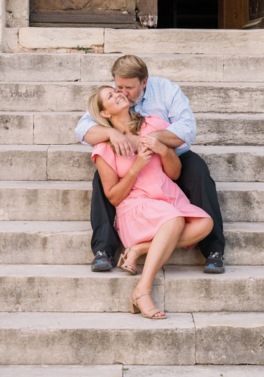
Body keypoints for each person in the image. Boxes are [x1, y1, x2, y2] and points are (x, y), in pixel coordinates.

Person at [74, 53, 226, 274]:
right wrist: (110, 132)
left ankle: (213, 249)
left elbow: (186, 130)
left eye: (129, 88)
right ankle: (104, 249)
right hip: (127, 160)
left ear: (144, 82)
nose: (122, 93)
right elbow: (82, 129)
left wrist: (149, 140)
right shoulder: (112, 97)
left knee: (199, 171)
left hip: (171, 153)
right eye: (118, 87)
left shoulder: (166, 90)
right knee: (102, 176)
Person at [87, 85, 213, 319]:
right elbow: (113, 196)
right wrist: (135, 169)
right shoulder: (104, 147)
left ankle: (140, 249)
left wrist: (164, 150)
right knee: (174, 220)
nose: (119, 94)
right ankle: (142, 291)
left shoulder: (153, 124)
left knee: (205, 224)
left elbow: (175, 174)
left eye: (118, 92)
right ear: (105, 113)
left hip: (167, 197)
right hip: (136, 205)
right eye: (111, 96)